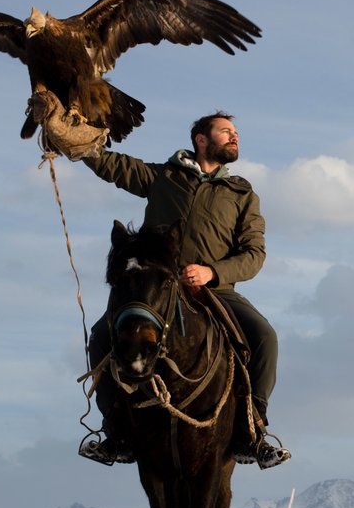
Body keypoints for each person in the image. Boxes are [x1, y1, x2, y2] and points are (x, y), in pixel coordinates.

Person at [48, 106, 289, 469]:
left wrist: (212, 272)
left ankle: (253, 430)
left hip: (214, 290)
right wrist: (69, 138)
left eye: (235, 133)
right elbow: (113, 166)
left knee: (265, 337)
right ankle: (115, 433)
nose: (234, 136)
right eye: (226, 131)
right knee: (101, 337)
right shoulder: (164, 177)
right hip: (155, 288)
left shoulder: (242, 194)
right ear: (201, 139)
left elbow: (254, 253)